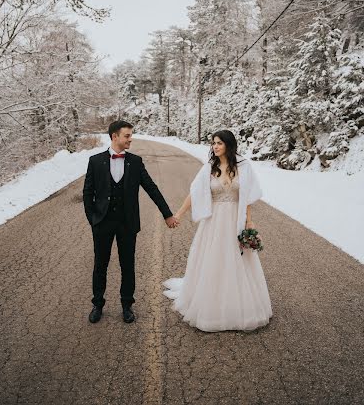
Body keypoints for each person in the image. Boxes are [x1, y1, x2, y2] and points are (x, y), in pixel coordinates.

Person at [163, 129, 273, 332]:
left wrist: (249, 222)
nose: (215, 146)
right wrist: (178, 214)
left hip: (235, 220)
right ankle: (211, 306)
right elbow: (193, 194)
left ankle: (239, 305)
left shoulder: (243, 166)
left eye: (219, 143)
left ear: (229, 145)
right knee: (214, 260)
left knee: (238, 260)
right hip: (214, 223)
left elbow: (246, 196)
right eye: (213, 143)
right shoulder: (208, 168)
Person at [83, 120, 179, 324]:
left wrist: (167, 214)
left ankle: (127, 305)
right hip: (102, 222)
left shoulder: (135, 162)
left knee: (128, 265)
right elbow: (87, 193)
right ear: (114, 136)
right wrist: (93, 220)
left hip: (127, 223)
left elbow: (151, 188)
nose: (130, 139)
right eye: (127, 136)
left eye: (131, 135)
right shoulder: (95, 161)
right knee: (100, 265)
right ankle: (97, 304)